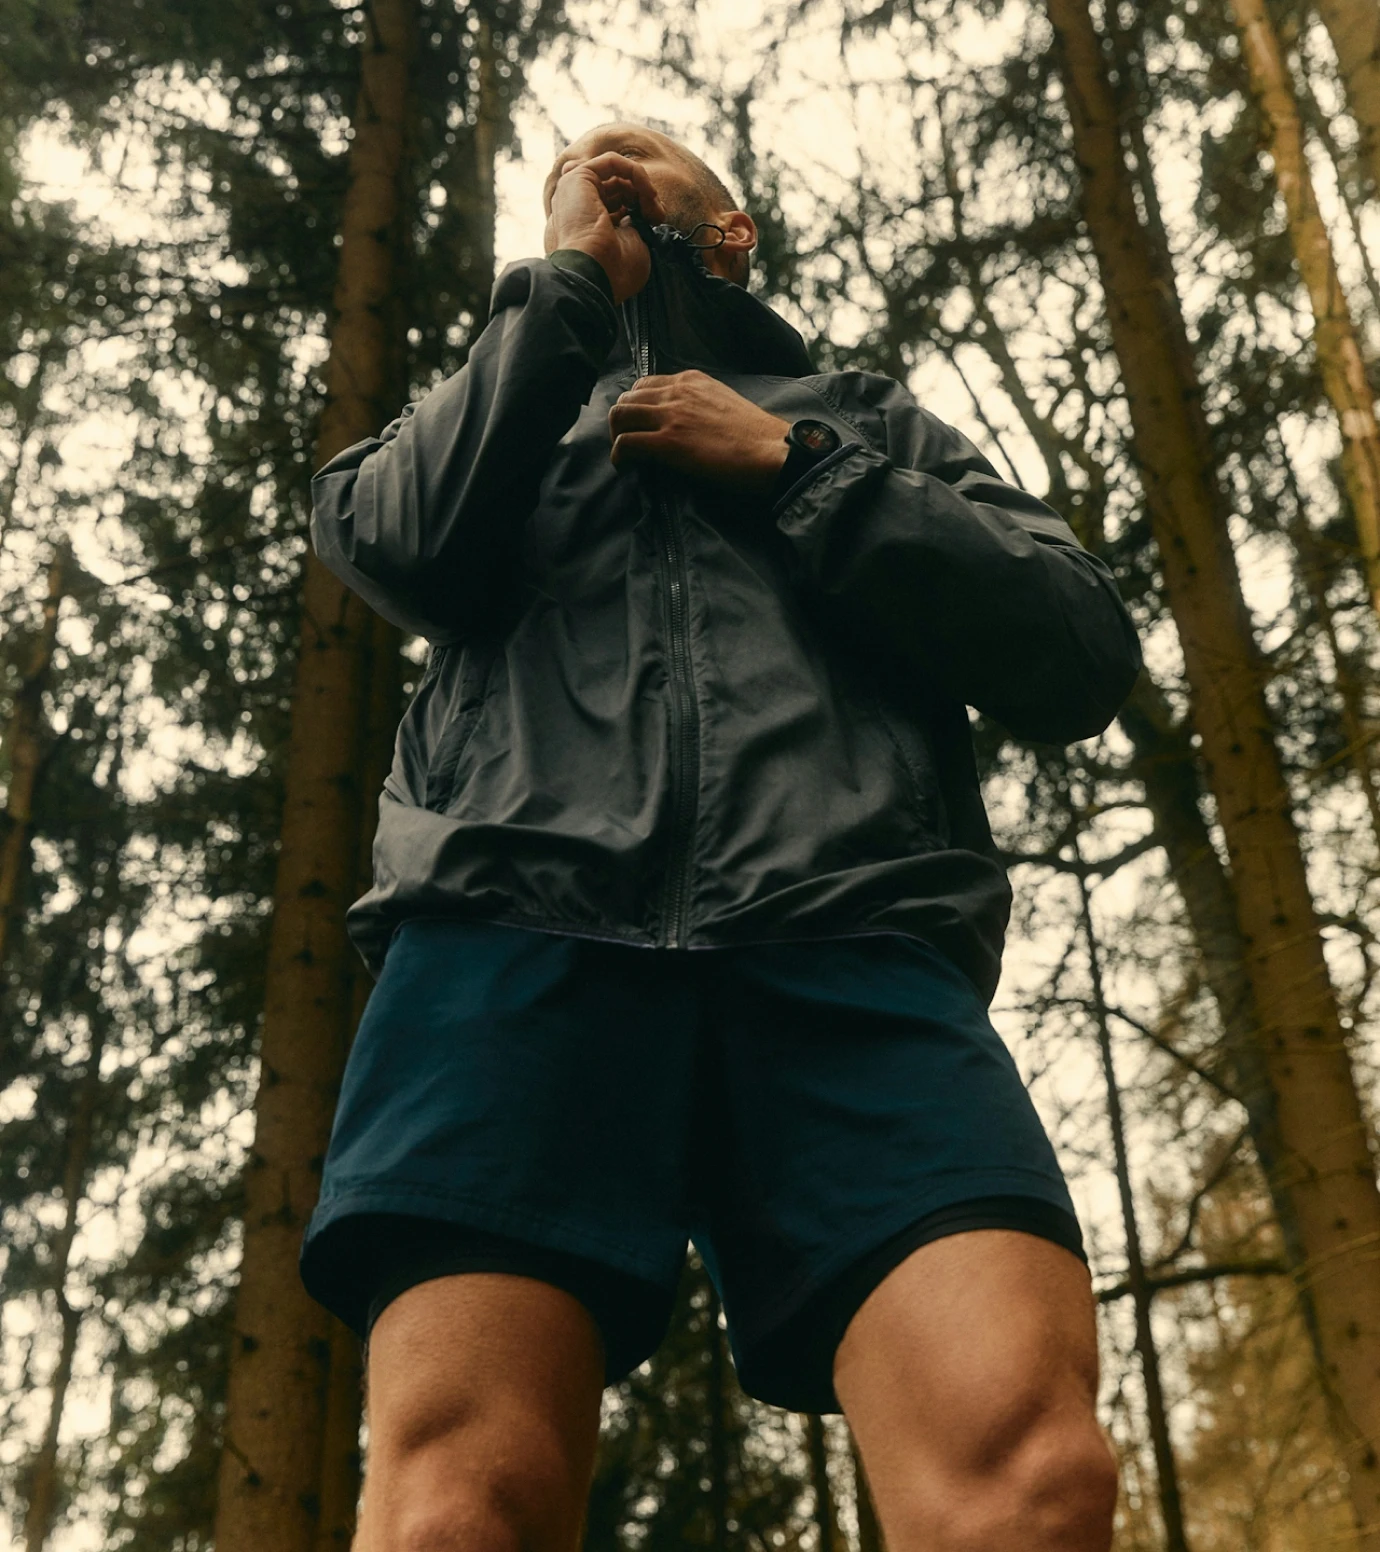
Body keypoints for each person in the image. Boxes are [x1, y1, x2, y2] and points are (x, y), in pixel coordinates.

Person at [302, 121, 1141, 1552]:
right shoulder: (486, 405)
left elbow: (1076, 648)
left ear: (734, 229)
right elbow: (398, 539)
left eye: (645, 146)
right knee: (456, 1507)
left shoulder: (863, 418)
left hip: (854, 942)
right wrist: (565, 294)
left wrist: (799, 466)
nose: (603, 144)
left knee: (1033, 1481)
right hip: (509, 942)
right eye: (572, 160)